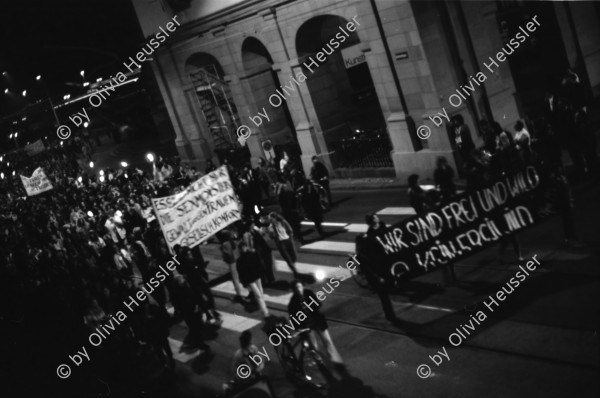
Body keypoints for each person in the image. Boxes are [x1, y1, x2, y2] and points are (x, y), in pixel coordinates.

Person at [287, 280, 344, 368]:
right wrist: (298, 328)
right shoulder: (292, 303)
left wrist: (314, 304)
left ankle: (336, 360)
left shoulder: (308, 293)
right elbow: (293, 318)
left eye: (299, 287)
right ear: (293, 290)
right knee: (314, 347)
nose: (298, 289)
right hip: (307, 327)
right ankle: (320, 362)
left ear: (302, 286)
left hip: (317, 322)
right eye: (296, 288)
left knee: (328, 341)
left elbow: (317, 304)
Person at [355, 235, 396, 322]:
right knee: (384, 297)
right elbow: (368, 270)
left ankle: (389, 314)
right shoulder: (366, 252)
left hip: (376, 278)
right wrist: (378, 278)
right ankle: (390, 315)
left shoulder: (362, 254)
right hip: (378, 278)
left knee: (384, 297)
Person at [236, 241, 270, 318]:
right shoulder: (240, 260)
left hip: (256, 277)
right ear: (240, 249)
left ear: (246, 247)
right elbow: (241, 273)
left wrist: (262, 275)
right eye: (242, 248)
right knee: (258, 295)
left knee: (260, 293)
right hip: (251, 280)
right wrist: (244, 283)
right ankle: (265, 312)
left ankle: (263, 307)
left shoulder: (252, 255)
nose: (243, 249)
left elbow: (259, 265)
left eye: (244, 247)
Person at [268, 212, 299, 277]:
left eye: (271, 219)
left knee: (294, 257)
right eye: (270, 220)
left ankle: (292, 265)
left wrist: (291, 239)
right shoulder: (271, 226)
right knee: (287, 258)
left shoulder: (283, 222)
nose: (271, 221)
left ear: (275, 217)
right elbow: (271, 237)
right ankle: (294, 271)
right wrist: (271, 233)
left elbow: (290, 230)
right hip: (281, 244)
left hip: (288, 241)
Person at [219, 229, 244, 302]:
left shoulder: (225, 244)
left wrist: (223, 252)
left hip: (231, 262)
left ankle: (238, 295)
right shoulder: (231, 241)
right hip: (236, 260)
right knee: (238, 277)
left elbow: (229, 255)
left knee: (235, 279)